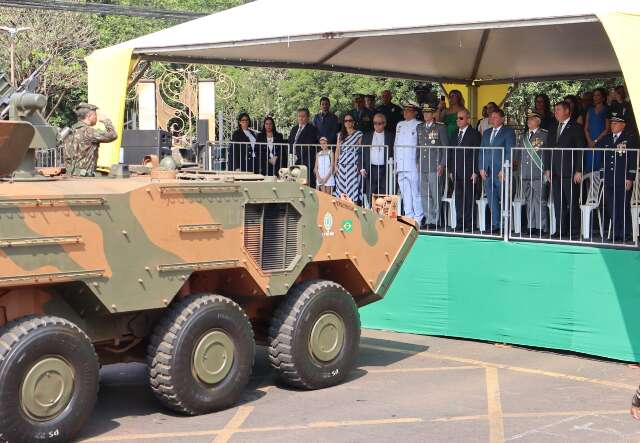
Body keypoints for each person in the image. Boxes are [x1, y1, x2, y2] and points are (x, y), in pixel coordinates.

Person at [544, 101, 585, 240]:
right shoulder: (553, 126)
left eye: (558, 110)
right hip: (555, 171)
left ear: (567, 111)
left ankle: (574, 231)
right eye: (555, 110)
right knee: (558, 202)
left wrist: (579, 170)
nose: (555, 112)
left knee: (572, 202)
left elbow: (581, 149)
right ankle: (560, 230)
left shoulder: (576, 127)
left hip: (570, 171)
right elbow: (548, 149)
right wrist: (548, 168)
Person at [596, 112, 638, 242]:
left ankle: (625, 233)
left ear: (623, 125)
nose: (612, 125)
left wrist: (630, 177)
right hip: (609, 178)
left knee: (623, 206)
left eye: (615, 123)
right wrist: (602, 175)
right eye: (612, 123)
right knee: (612, 206)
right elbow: (601, 155)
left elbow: (632, 159)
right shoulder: (607, 138)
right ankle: (615, 233)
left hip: (623, 178)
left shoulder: (629, 138)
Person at [479, 109, 516, 233]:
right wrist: (481, 167)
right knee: (492, 198)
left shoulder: (508, 132)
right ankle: (496, 224)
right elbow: (482, 151)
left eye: (495, 117)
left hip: (501, 172)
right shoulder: (487, 132)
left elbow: (509, 150)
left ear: (502, 119)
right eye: (491, 117)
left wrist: (504, 168)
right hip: (488, 172)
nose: (492, 119)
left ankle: (506, 225)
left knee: (504, 197)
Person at [513, 111, 549, 234]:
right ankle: (531, 226)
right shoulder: (523, 137)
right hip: (525, 173)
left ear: (538, 121)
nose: (528, 121)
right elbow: (517, 155)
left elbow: (547, 154)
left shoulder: (544, 135)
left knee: (540, 200)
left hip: (538, 172)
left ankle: (541, 227)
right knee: (529, 200)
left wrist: (547, 170)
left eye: (531, 119)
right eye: (528, 119)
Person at [417, 105, 449, 229]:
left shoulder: (440, 127)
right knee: (425, 194)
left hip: (435, 165)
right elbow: (418, 146)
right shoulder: (420, 127)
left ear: (434, 114)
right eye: (424, 112)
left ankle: (436, 220)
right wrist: (417, 160)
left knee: (435, 194)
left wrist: (442, 164)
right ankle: (429, 218)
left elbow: (445, 147)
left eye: (428, 112)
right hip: (423, 165)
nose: (425, 115)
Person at [448, 109, 481, 231]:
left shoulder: (474, 134)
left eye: (461, 118)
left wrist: (476, 171)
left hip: (469, 172)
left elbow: (477, 153)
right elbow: (450, 152)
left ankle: (469, 224)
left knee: (469, 199)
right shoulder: (454, 133)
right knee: (458, 199)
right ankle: (459, 223)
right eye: (457, 118)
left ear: (468, 119)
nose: (458, 120)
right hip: (456, 171)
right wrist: (451, 170)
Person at [64, 103, 117, 177]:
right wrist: (106, 120)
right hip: (85, 178)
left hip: (70, 176)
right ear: (89, 116)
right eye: (95, 115)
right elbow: (113, 135)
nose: (97, 118)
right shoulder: (89, 132)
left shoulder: (69, 131)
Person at [395, 102, 423, 223]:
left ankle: (418, 216)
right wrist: (396, 161)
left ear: (415, 112)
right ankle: (408, 215)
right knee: (405, 192)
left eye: (408, 110)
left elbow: (420, 145)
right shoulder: (399, 125)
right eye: (404, 110)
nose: (405, 112)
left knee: (415, 191)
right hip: (401, 163)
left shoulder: (419, 125)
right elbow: (396, 144)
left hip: (412, 163)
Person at [334, 112, 364, 205]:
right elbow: (337, 150)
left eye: (350, 120)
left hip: (353, 164)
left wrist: (359, 165)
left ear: (353, 122)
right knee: (341, 187)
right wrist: (335, 165)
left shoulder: (358, 134)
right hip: (342, 163)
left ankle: (353, 208)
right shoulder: (340, 134)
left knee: (353, 186)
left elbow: (360, 151)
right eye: (346, 121)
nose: (347, 122)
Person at [362, 112, 394, 198]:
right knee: (371, 192)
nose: (376, 125)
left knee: (384, 192)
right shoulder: (367, 136)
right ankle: (371, 211)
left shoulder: (391, 136)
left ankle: (383, 211)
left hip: (385, 168)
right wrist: (361, 167)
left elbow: (394, 153)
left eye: (379, 123)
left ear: (385, 123)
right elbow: (361, 152)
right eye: (374, 123)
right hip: (371, 168)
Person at [288, 107, 320, 187]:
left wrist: (298, 155)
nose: (301, 118)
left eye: (303, 116)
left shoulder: (312, 129)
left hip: (307, 160)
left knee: (307, 183)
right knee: (295, 182)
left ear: (308, 117)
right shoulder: (294, 129)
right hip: (294, 159)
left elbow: (308, 143)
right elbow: (290, 142)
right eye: (299, 116)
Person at [583, 87, 610, 177]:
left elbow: (607, 129)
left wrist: (595, 141)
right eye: (594, 95)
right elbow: (586, 127)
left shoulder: (607, 110)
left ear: (603, 97)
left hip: (601, 143)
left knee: (600, 168)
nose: (595, 97)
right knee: (588, 169)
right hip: (590, 144)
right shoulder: (590, 110)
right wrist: (590, 141)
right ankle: (590, 190)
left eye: (598, 95)